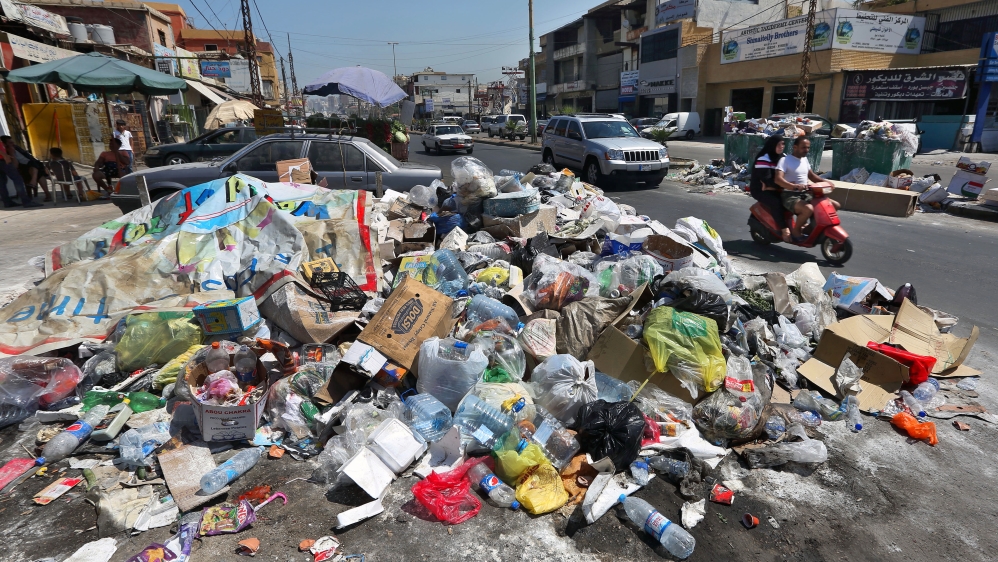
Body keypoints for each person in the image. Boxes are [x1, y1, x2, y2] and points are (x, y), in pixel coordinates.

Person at [775, 136, 839, 240]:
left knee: (834, 205)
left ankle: (810, 229)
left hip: (806, 193)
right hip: (789, 195)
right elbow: (778, 179)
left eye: (808, 148)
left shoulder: (804, 160)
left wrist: (826, 182)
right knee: (808, 209)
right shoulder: (785, 160)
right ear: (795, 147)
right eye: (803, 147)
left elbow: (812, 176)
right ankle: (796, 231)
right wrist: (794, 186)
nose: (807, 150)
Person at [749, 134, 790, 243]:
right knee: (776, 202)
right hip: (759, 190)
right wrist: (784, 185)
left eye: (783, 144)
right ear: (772, 145)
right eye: (779, 144)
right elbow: (766, 180)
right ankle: (784, 229)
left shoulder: (783, 157)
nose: (781, 147)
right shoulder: (764, 158)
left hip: (775, 187)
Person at [1, 136, 50, 201]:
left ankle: (34, 182)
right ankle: (37, 185)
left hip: (30, 164)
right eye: (10, 143)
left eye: (13, 142)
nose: (13, 144)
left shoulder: (17, 148)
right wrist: (12, 153)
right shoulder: (6, 152)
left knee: (36, 168)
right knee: (38, 171)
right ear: (4, 144)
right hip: (22, 167)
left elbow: (30, 157)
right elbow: (15, 166)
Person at [0, 138, 40, 208]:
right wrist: (5, 155)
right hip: (2, 160)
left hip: (2, 159)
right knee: (17, 179)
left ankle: (7, 202)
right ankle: (26, 201)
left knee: (2, 182)